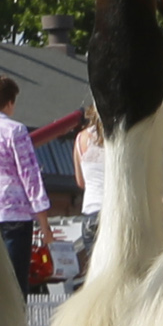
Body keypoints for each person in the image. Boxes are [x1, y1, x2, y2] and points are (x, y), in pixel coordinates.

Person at [0, 74, 51, 293]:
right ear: (10, 102)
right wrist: (44, 222)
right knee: (14, 285)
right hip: (14, 214)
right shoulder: (15, 130)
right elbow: (30, 176)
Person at [74, 102, 106, 274]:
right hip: (111, 211)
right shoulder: (115, 138)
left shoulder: (81, 138)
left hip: (90, 211)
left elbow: (80, 181)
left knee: (94, 272)